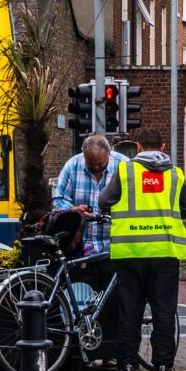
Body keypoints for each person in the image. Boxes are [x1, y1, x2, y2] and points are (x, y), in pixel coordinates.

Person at [101, 142, 186, 371]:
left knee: (129, 310)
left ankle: (127, 366)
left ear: (139, 146)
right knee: (164, 310)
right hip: (164, 251)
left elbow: (104, 202)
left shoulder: (125, 171)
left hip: (130, 250)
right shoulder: (175, 174)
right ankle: (163, 366)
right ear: (163, 146)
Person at [51, 133, 118, 359]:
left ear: (109, 154)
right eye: (91, 164)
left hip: (113, 244)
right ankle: (83, 351)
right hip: (84, 245)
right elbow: (58, 199)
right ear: (83, 156)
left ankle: (109, 352)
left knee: (111, 301)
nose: (96, 169)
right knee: (85, 302)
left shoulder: (123, 166)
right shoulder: (72, 166)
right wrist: (73, 209)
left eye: (100, 164)